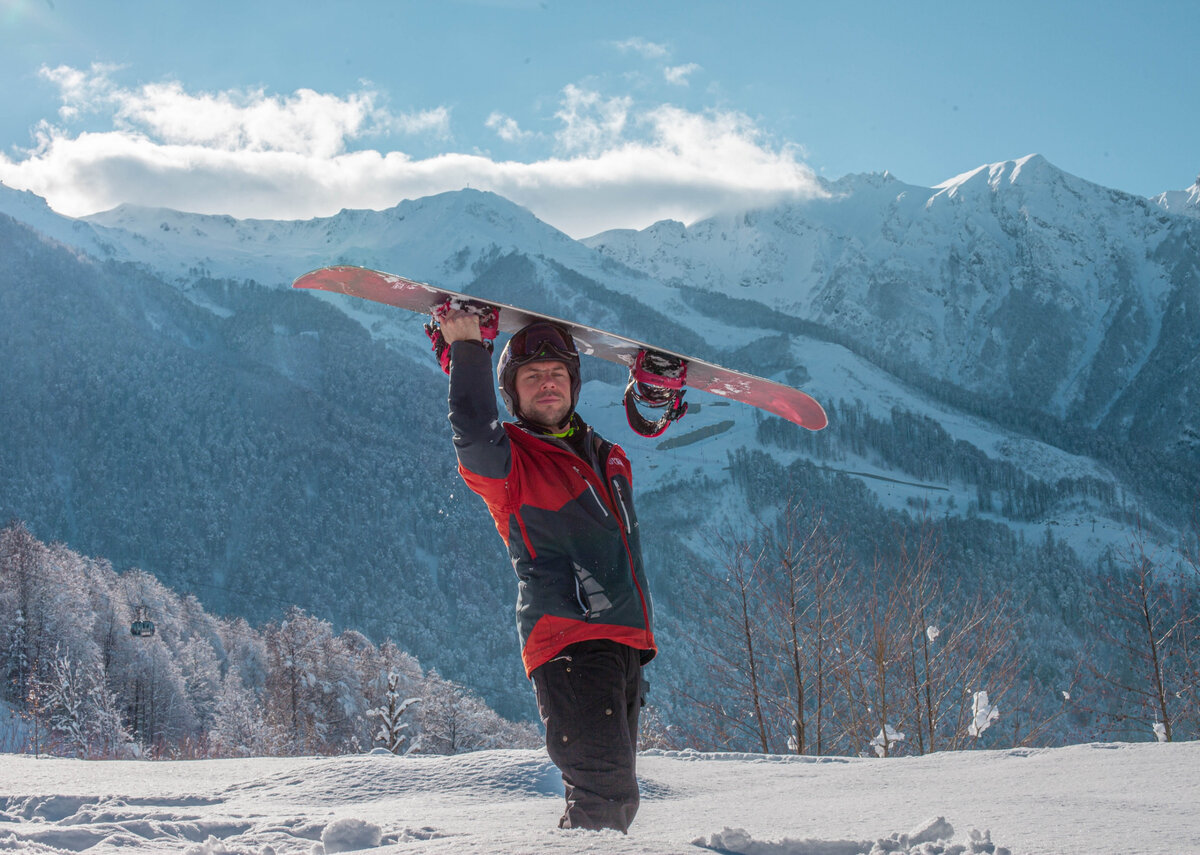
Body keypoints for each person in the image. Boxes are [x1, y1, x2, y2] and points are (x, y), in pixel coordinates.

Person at [436, 308, 656, 833]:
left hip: (623, 642)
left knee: (614, 801)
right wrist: (468, 349)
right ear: (512, 394)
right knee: (604, 797)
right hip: (570, 643)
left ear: (575, 384)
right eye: (532, 376)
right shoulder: (510, 465)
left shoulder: (607, 456)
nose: (547, 383)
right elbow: (473, 433)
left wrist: (655, 394)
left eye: (557, 372)